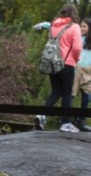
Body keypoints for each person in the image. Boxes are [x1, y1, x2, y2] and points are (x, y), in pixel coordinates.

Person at [34, 4, 83, 133]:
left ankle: (41, 114)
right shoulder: (74, 26)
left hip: (52, 63)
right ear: (74, 14)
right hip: (67, 64)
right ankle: (65, 123)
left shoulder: (54, 25)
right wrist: (76, 59)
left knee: (56, 91)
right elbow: (77, 47)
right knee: (67, 93)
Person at [72, 18, 91, 132]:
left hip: (88, 71)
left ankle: (81, 121)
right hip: (77, 68)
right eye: (81, 26)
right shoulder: (77, 37)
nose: (82, 28)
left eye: (84, 26)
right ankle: (65, 119)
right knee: (71, 94)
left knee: (86, 96)